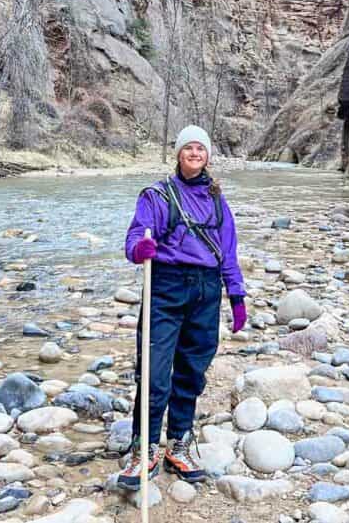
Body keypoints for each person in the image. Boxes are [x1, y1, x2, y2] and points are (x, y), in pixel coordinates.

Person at [116, 125, 247, 490]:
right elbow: (135, 235)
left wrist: (236, 296)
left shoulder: (218, 201)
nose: (194, 153)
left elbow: (229, 254)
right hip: (166, 288)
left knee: (191, 371)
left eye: (200, 148)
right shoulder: (157, 196)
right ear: (178, 154)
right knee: (154, 375)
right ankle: (144, 448)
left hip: (206, 292)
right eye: (188, 147)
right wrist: (138, 251)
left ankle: (178, 443)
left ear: (207, 156)